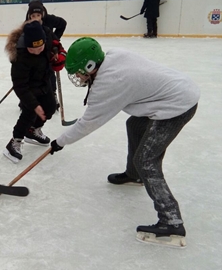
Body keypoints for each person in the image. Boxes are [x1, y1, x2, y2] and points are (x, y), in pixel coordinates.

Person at [49, 37, 200, 248]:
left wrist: (60, 142)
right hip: (176, 90)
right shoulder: (114, 55)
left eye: (79, 71)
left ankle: (171, 221)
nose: (77, 76)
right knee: (135, 124)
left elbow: (88, 123)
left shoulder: (109, 83)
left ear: (90, 66)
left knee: (147, 160)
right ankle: (134, 175)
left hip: (177, 105)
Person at [4, 15, 66, 164]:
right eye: (33, 49)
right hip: (28, 88)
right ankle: (14, 142)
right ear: (26, 45)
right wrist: (34, 104)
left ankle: (33, 131)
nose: (38, 51)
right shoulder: (20, 57)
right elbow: (20, 86)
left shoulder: (46, 37)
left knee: (50, 108)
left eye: (41, 48)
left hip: (44, 81)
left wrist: (58, 52)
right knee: (29, 113)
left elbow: (56, 43)